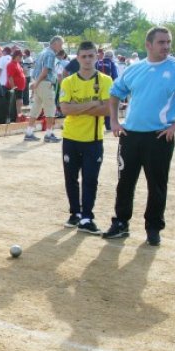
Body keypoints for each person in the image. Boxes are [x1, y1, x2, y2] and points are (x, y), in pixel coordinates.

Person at [103, 26, 175, 245]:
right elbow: (114, 93)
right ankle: (121, 222)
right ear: (148, 45)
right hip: (130, 135)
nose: (166, 46)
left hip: (159, 137)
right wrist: (113, 121)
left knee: (157, 184)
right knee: (125, 182)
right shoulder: (134, 69)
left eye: (168, 42)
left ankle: (153, 227)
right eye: (161, 42)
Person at [57, 41, 114, 234]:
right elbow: (65, 109)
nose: (88, 60)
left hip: (93, 139)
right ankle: (75, 214)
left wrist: (78, 108)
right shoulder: (69, 81)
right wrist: (93, 103)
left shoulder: (106, 81)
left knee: (90, 179)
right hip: (71, 137)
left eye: (91, 56)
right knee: (71, 178)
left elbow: (106, 109)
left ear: (97, 57)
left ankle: (87, 217)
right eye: (84, 56)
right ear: (78, 58)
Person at [25, 36, 63, 143]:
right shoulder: (50, 54)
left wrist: (35, 83)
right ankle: (49, 133)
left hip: (39, 82)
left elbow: (36, 68)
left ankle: (29, 132)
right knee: (50, 109)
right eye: (60, 44)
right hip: (45, 83)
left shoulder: (43, 52)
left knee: (36, 108)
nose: (61, 47)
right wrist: (37, 83)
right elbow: (46, 70)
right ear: (55, 43)